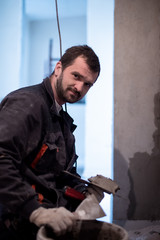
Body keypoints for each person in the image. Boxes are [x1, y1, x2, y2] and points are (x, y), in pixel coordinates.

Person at [0, 45, 102, 240]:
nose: (80, 87)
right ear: (58, 69)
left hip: (49, 224)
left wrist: (85, 192)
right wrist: (35, 211)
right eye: (76, 76)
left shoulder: (60, 120)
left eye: (88, 84)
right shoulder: (28, 103)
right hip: (17, 225)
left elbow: (62, 173)